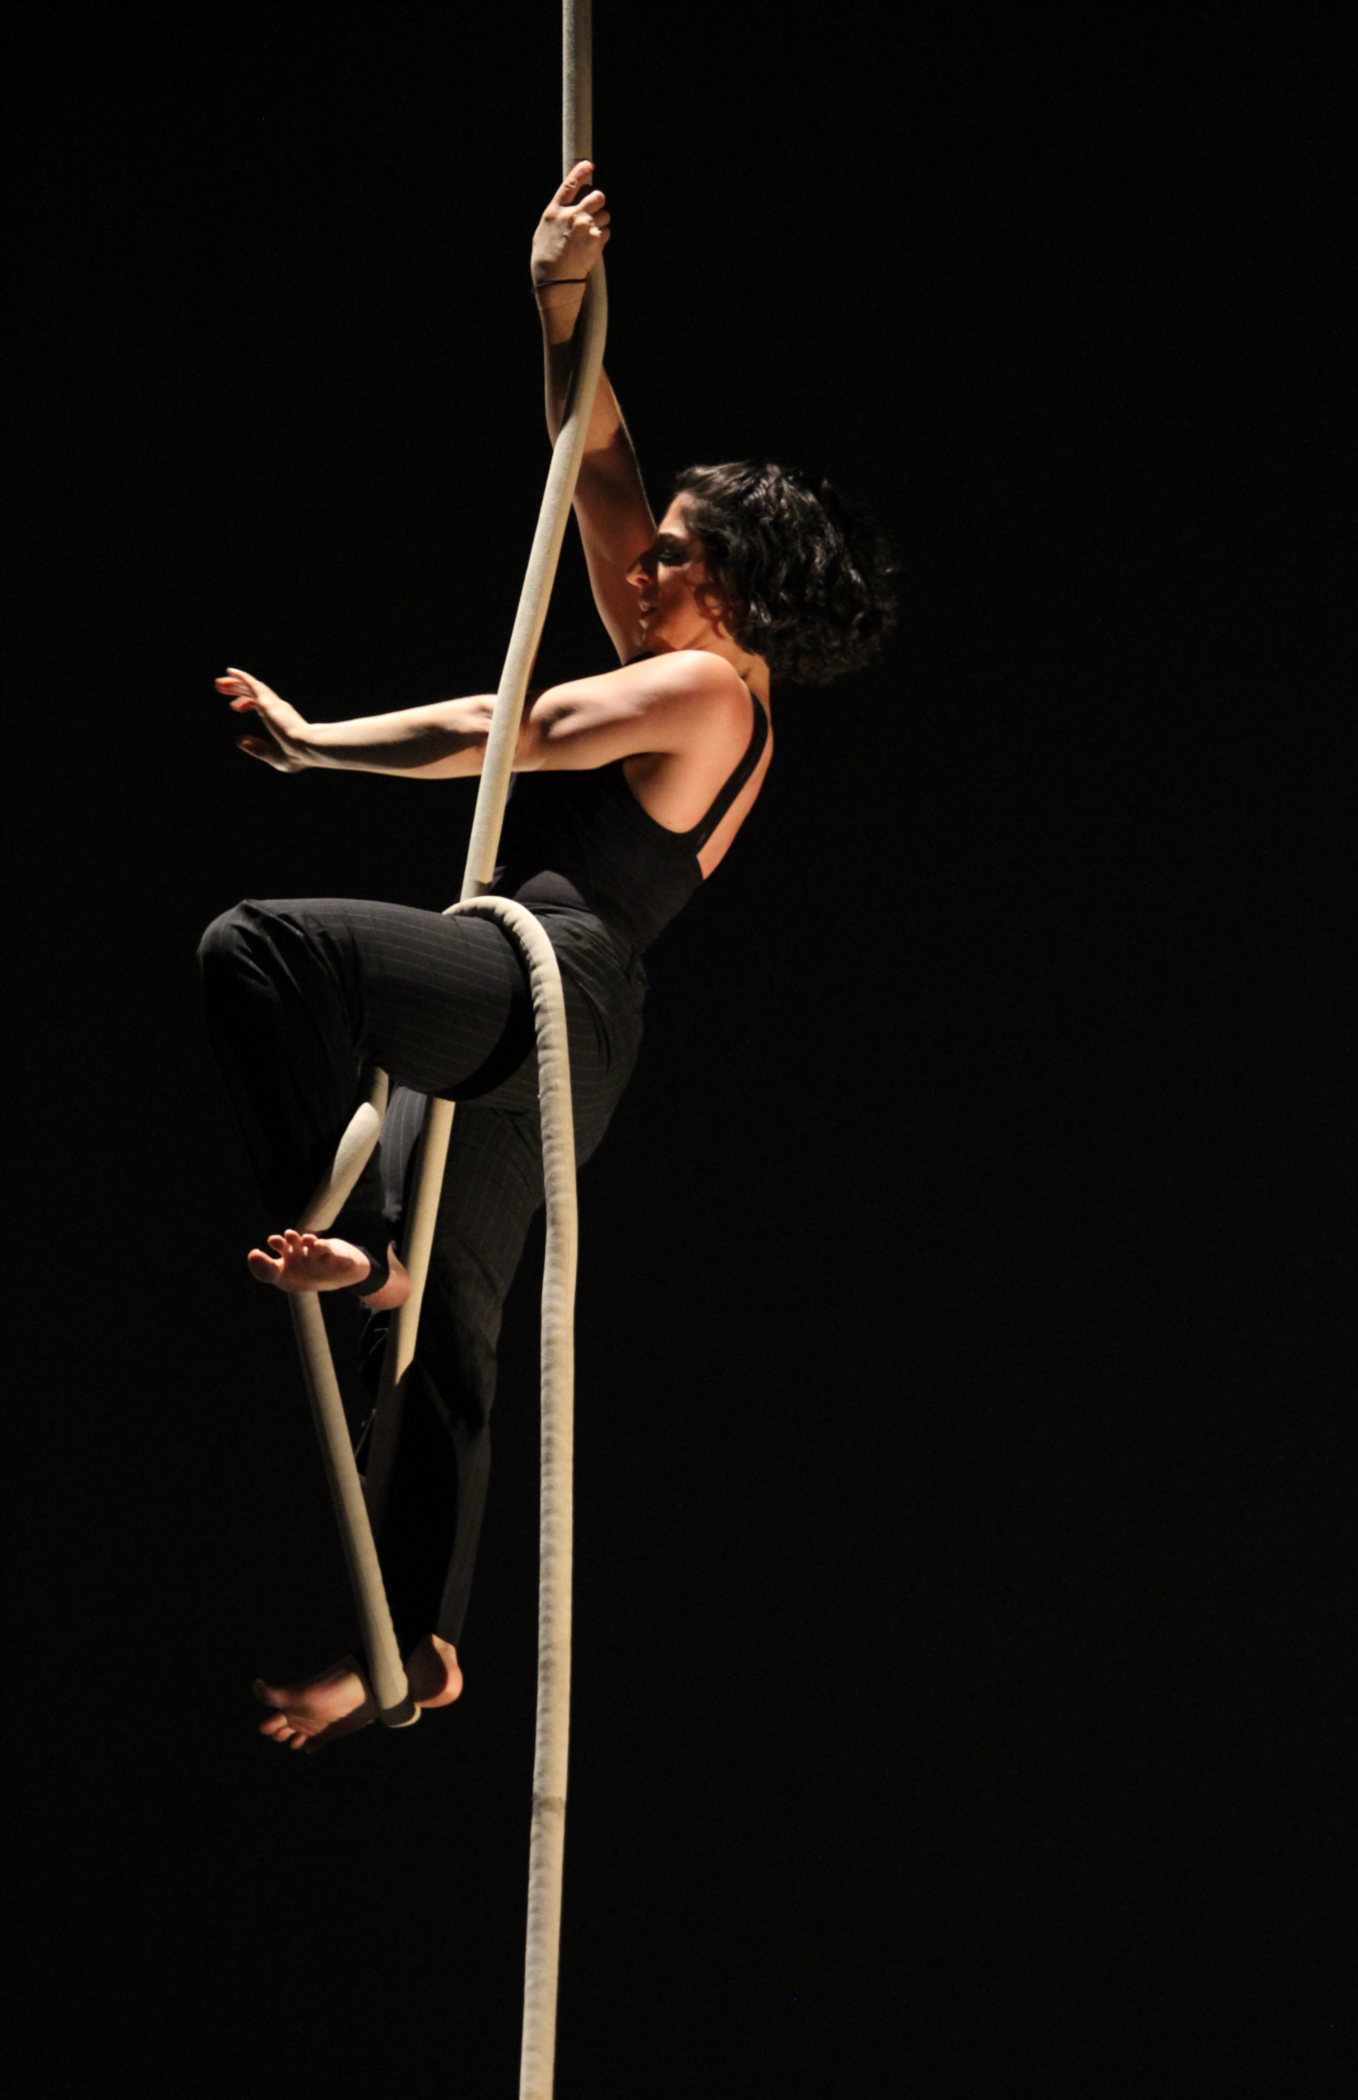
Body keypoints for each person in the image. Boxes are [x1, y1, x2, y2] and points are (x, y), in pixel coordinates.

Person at [198, 162, 897, 1750]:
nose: (642, 564)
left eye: (674, 555)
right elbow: (598, 458)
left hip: (543, 982)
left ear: (728, 588)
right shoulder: (714, 672)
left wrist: (314, 748)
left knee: (265, 952)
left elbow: (506, 733)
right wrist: (555, 293)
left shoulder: (709, 686)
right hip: (588, 1035)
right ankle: (417, 1650)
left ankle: (336, 1208)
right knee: (452, 1329)